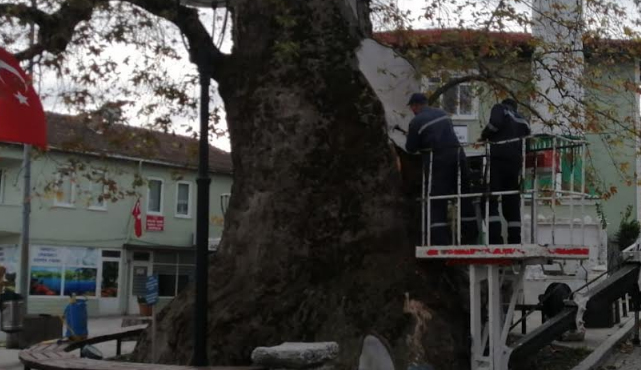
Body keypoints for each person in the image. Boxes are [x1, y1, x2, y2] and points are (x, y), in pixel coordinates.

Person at [405, 93, 478, 246]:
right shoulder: (443, 114)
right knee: (464, 195)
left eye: (412, 107)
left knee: (437, 200)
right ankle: (470, 235)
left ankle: (440, 241)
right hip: (459, 157)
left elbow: (410, 149)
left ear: (416, 105)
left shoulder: (416, 122)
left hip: (438, 162)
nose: (412, 110)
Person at [480, 98, 531, 244]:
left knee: (490, 199)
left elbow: (494, 124)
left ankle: (496, 240)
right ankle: (515, 240)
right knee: (512, 202)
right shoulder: (524, 121)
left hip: (497, 160)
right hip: (515, 165)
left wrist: (484, 136)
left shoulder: (500, 108)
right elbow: (527, 146)